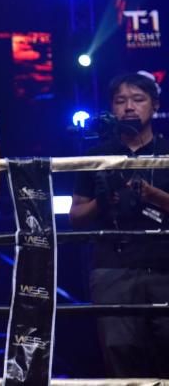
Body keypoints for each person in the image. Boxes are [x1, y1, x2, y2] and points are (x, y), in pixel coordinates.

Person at [70, 70, 169, 378]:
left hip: (164, 265)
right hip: (113, 268)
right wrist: (102, 202)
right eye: (120, 100)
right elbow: (75, 216)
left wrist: (152, 195)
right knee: (121, 355)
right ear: (111, 107)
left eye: (138, 99)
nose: (129, 107)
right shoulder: (95, 155)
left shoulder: (166, 151)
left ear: (154, 105)